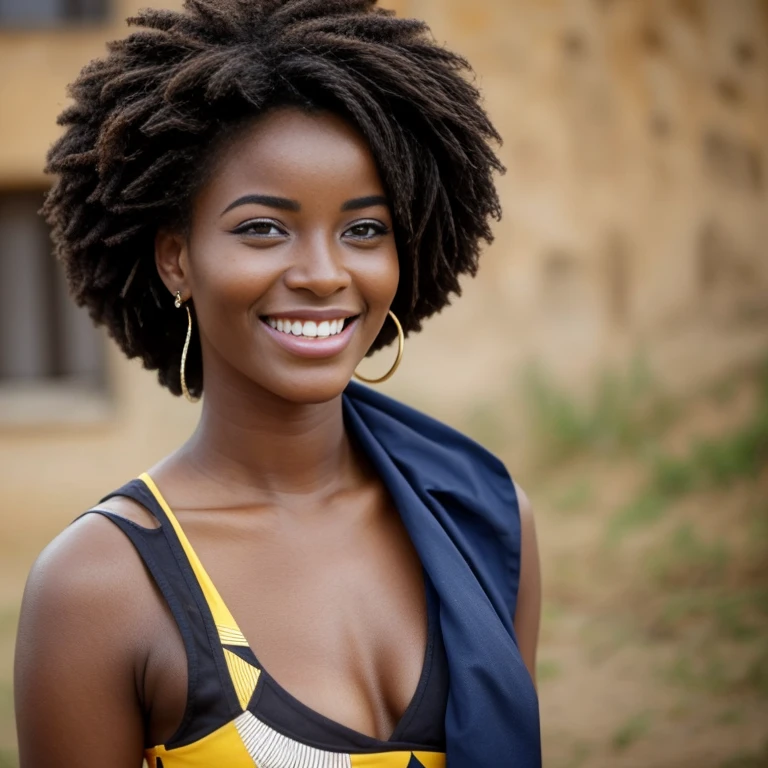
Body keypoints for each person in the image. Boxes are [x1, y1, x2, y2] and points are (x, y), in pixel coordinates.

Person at [14, 1, 542, 765]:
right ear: (176, 260)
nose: (325, 275)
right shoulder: (99, 587)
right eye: (263, 228)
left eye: (364, 229)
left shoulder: (485, 520)